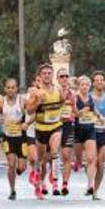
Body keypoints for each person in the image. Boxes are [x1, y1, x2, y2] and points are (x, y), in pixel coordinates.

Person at [26, 64, 65, 200]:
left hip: (55, 125)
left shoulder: (58, 89)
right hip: (41, 128)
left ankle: (54, 181)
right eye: (44, 73)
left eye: (49, 73)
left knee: (54, 150)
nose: (47, 75)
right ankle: (39, 182)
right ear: (40, 76)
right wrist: (38, 102)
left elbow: (62, 102)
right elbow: (29, 110)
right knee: (41, 160)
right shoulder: (35, 91)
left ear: (52, 75)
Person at [72, 75, 100, 199]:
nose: (85, 87)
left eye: (87, 85)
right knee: (79, 158)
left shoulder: (92, 98)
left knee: (90, 159)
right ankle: (77, 162)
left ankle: (90, 185)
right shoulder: (74, 98)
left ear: (90, 86)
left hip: (90, 129)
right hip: (78, 130)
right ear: (78, 86)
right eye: (82, 85)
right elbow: (74, 113)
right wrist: (81, 111)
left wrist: (99, 116)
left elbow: (94, 111)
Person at [0, 78, 27, 200]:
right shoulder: (1, 102)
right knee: (11, 164)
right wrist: (0, 120)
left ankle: (19, 170)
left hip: (21, 139)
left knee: (21, 168)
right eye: (8, 87)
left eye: (13, 87)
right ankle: (12, 191)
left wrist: (26, 123)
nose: (10, 90)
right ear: (5, 89)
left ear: (17, 89)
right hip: (8, 138)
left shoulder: (22, 100)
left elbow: (33, 114)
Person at [90, 72, 105, 197]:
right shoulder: (88, 97)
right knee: (92, 161)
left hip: (104, 133)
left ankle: (95, 190)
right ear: (93, 83)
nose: (99, 82)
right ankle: (90, 182)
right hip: (91, 133)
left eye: (101, 80)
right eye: (97, 80)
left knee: (101, 163)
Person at [56, 70, 77, 196]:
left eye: (66, 76)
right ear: (57, 79)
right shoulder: (54, 92)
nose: (64, 78)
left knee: (66, 155)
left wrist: (76, 113)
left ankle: (65, 184)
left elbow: (75, 111)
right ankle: (52, 180)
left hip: (68, 125)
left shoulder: (73, 94)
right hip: (54, 125)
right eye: (61, 76)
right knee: (51, 155)